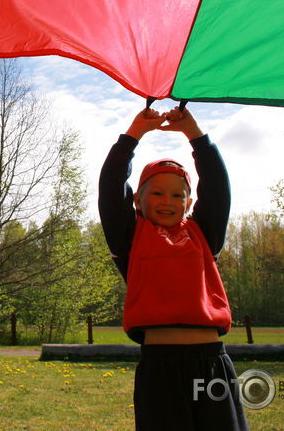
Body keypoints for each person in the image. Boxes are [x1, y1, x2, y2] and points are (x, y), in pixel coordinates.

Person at [98, 106, 248, 430]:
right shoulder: (130, 239)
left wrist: (195, 135)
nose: (168, 200)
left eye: (178, 194)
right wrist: (132, 136)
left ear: (189, 203)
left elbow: (218, 189)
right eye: (157, 192)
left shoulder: (203, 235)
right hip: (160, 369)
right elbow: (110, 189)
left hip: (212, 364)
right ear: (138, 200)